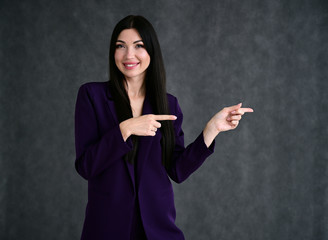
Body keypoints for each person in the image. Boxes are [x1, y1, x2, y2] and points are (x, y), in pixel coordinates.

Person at [74, 15, 253, 240]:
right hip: (107, 228)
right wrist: (125, 129)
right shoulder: (92, 96)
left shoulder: (169, 104)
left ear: (151, 51)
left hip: (157, 229)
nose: (129, 55)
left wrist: (212, 129)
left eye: (138, 46)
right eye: (121, 46)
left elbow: (177, 170)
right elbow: (86, 166)